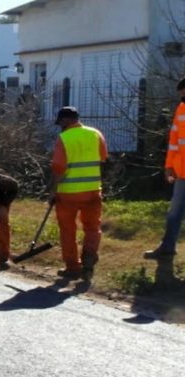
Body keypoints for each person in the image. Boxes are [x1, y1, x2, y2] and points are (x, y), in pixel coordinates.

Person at [51, 106, 107, 280]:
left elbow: (59, 168)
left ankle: (73, 267)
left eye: (60, 122)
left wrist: (53, 191)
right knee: (92, 228)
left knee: (68, 230)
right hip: (93, 191)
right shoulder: (95, 134)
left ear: (66, 120)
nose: (60, 126)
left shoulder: (64, 138)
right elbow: (103, 157)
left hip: (69, 193)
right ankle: (89, 257)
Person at [144, 78, 185, 260]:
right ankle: (167, 247)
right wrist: (169, 166)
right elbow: (174, 141)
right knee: (174, 211)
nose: (182, 98)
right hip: (181, 173)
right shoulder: (181, 109)